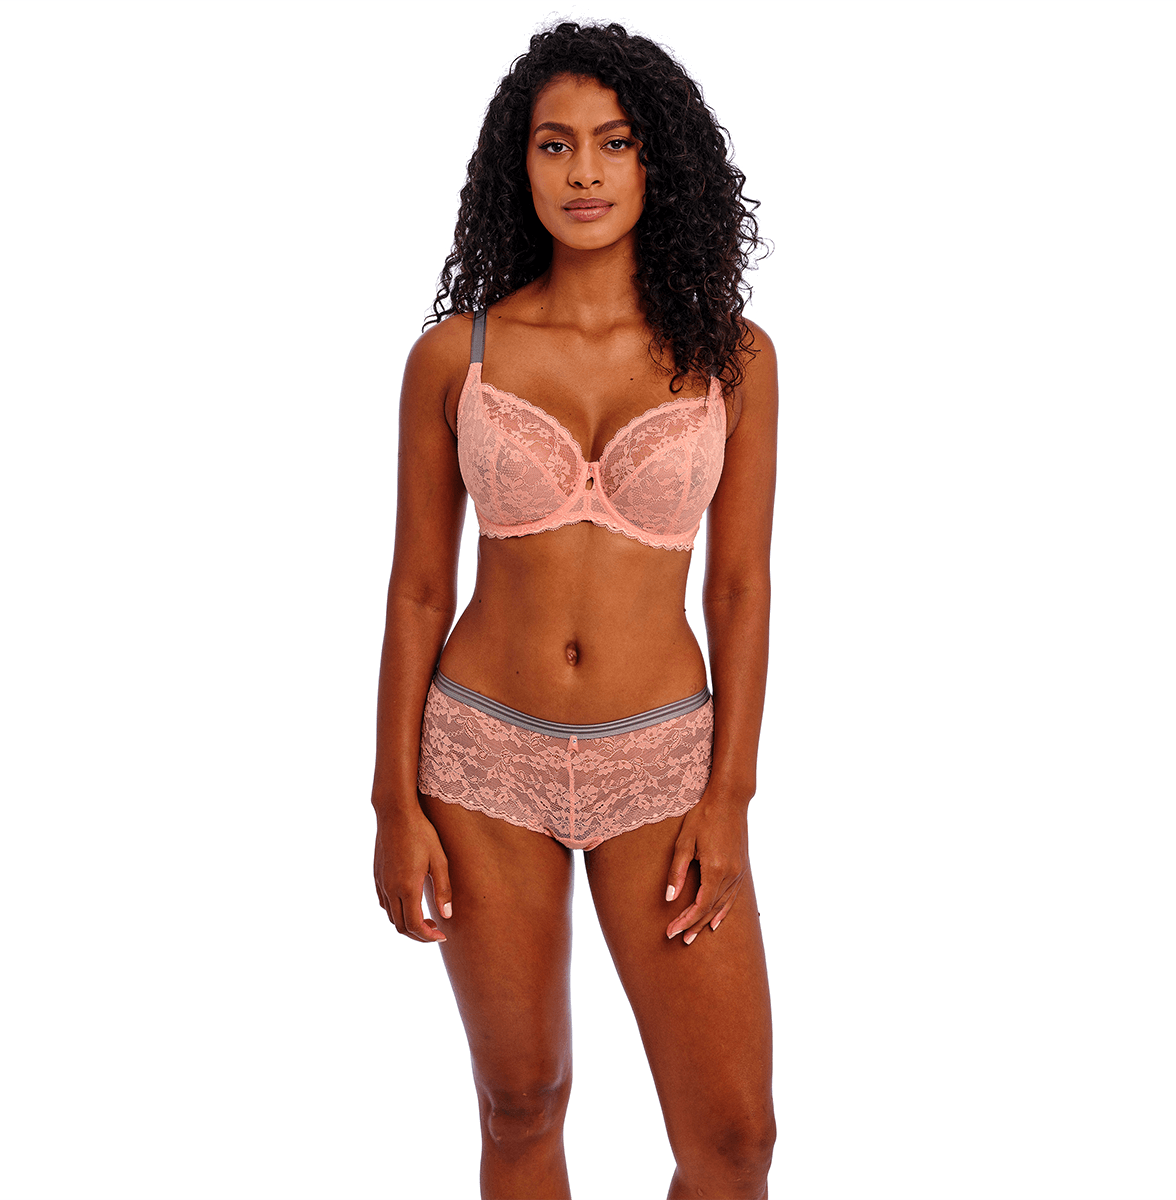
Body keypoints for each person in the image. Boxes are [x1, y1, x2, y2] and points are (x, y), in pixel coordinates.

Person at [371, 21, 777, 1200]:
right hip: (483, 755)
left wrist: (730, 799)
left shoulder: (734, 359)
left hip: (662, 763)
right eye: (555, 145)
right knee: (521, 1102)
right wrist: (393, 802)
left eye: (614, 142)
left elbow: (741, 586)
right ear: (522, 163)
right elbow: (417, 589)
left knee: (734, 1142)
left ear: (660, 163)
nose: (584, 172)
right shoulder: (455, 357)